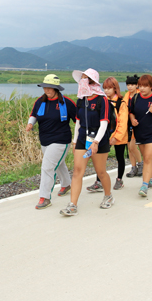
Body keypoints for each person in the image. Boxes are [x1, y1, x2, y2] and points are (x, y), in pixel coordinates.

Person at [60, 69, 113, 216]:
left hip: (99, 139)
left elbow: (104, 123)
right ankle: (72, 205)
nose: (82, 81)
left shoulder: (102, 100)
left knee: (101, 172)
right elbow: (78, 121)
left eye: (85, 78)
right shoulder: (81, 100)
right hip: (83, 138)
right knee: (77, 171)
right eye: (81, 78)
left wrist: (96, 142)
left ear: (92, 82)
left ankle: (108, 196)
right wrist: (75, 141)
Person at [26, 74, 77, 209]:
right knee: (58, 164)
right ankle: (66, 184)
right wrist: (30, 124)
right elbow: (33, 115)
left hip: (61, 140)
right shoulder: (40, 102)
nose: (46, 91)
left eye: (49, 88)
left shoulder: (67, 103)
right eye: (45, 88)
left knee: (47, 167)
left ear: (56, 88)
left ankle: (45, 197)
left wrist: (78, 139)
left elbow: (79, 121)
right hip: (45, 140)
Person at [86, 77, 128, 191]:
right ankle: (98, 182)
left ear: (115, 88)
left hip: (118, 135)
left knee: (120, 157)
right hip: (104, 134)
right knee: (101, 159)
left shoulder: (121, 103)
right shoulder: (102, 101)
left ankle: (119, 179)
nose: (107, 91)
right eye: (104, 88)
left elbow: (122, 123)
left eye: (109, 88)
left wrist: (116, 137)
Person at [123, 75, 144, 178]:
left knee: (133, 146)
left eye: (132, 84)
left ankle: (140, 164)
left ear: (137, 85)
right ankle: (133, 167)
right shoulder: (126, 96)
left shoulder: (140, 95)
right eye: (128, 84)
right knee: (129, 147)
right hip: (127, 123)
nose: (130, 87)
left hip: (138, 123)